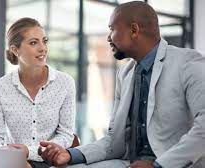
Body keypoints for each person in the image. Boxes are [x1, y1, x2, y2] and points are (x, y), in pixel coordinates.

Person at [39, 1, 205, 168]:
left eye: (112, 29)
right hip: (129, 163)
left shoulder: (187, 63)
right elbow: (114, 141)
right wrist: (69, 154)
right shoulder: (125, 74)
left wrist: (158, 166)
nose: (108, 37)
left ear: (134, 30)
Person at [0, 17, 76, 168]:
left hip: (52, 162)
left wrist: (30, 151)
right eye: (34, 43)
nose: (43, 48)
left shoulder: (65, 83)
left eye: (44, 41)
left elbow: (66, 135)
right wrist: (2, 150)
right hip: (15, 163)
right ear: (15, 49)